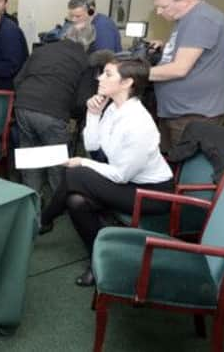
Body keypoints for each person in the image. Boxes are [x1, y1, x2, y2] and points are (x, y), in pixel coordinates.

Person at [38, 55, 173, 287]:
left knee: (75, 174)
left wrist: (83, 163)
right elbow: (92, 146)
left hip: (150, 194)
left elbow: (120, 174)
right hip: (126, 181)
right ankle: (96, 258)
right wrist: (93, 115)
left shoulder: (139, 123)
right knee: (75, 201)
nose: (100, 77)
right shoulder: (112, 109)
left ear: (127, 83)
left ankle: (44, 220)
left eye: (108, 74)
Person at [13, 22, 96, 205]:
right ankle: (56, 207)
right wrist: (69, 113)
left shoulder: (43, 49)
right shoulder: (85, 60)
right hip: (53, 113)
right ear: (89, 43)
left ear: (66, 34)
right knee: (57, 163)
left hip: (24, 106)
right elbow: (83, 100)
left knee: (30, 157)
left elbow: (18, 80)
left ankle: (32, 201)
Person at [148, 0, 224, 152]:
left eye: (163, 6)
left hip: (194, 114)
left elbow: (180, 68)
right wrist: (166, 46)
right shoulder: (185, 19)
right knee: (170, 164)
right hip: (178, 110)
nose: (159, 12)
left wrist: (138, 72)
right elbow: (191, 54)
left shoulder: (201, 19)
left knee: (186, 170)